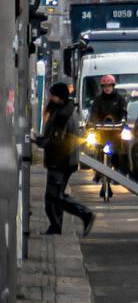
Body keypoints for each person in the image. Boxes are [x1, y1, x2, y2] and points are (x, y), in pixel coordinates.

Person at [39, 83, 95, 236]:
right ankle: (56, 227)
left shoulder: (63, 114)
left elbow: (57, 141)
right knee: (56, 195)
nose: (50, 98)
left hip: (60, 161)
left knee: (54, 196)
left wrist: (40, 141)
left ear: (60, 97)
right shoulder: (64, 110)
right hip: (64, 160)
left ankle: (84, 213)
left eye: (53, 95)